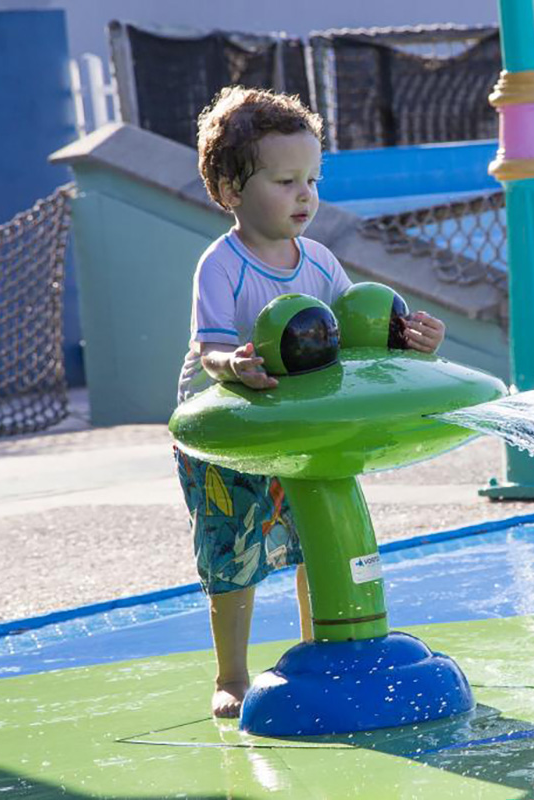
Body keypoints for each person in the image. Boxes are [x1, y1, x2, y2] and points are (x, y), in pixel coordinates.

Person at [174, 86, 446, 718]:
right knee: (232, 553)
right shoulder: (222, 264)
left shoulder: (319, 260)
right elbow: (209, 347)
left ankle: (314, 648)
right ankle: (232, 674)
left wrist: (411, 341)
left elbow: (356, 334)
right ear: (231, 189)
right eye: (286, 180)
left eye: (313, 179)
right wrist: (233, 364)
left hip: (299, 431)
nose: (305, 195)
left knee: (311, 539)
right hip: (230, 431)